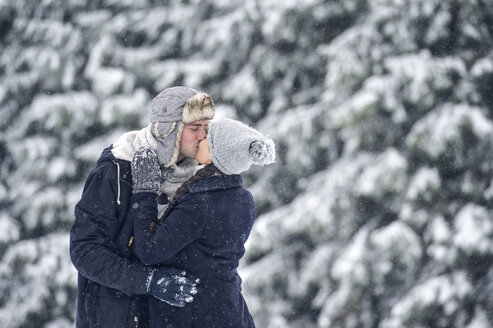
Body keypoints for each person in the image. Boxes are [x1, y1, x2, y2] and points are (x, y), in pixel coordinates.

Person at [69, 86, 215, 328]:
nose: (203, 135)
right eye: (194, 128)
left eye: (206, 127)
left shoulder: (198, 177)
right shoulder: (115, 170)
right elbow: (84, 249)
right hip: (112, 317)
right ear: (170, 130)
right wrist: (148, 281)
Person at [129, 118, 276, 327]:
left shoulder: (200, 203)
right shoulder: (243, 198)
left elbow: (148, 251)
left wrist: (144, 191)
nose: (200, 138)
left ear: (218, 153)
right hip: (229, 310)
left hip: (196, 314)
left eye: (207, 137)